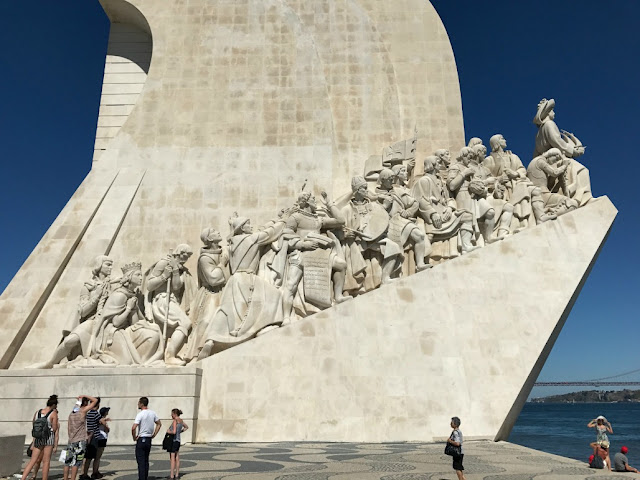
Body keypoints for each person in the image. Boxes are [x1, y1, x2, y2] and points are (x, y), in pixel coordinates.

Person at [145, 245, 198, 365]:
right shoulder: (164, 263)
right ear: (180, 253)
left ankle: (167, 354)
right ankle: (170, 355)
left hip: (172, 301)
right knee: (185, 322)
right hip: (162, 300)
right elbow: (150, 286)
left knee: (180, 326)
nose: (187, 258)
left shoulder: (180, 269)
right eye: (186, 255)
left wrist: (175, 271)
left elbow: (176, 286)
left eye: (189, 256)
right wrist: (164, 276)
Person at [21, 395, 59, 480]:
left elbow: (34, 424)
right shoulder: (53, 414)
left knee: (33, 460)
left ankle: (23, 478)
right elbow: (55, 428)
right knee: (46, 461)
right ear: (54, 405)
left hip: (38, 438)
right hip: (48, 438)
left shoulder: (37, 412)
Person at [64, 396, 99, 480]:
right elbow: (95, 400)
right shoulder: (83, 411)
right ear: (85, 403)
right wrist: (84, 396)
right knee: (76, 463)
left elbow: (76, 406)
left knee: (67, 462)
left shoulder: (73, 412)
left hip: (71, 440)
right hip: (80, 440)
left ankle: (65, 478)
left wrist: (79, 400)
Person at [132, 396, 162, 480]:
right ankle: (145, 477)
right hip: (149, 438)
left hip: (141, 438)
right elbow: (159, 424)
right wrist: (154, 434)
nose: (138, 404)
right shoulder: (152, 413)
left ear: (142, 404)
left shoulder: (140, 414)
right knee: (146, 460)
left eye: (138, 403)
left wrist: (134, 437)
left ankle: (142, 478)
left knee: (140, 460)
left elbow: (133, 427)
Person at [80, 398, 101, 480]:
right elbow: (101, 422)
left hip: (88, 436)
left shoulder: (88, 413)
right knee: (94, 457)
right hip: (94, 437)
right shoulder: (96, 414)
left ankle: (84, 473)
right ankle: (89, 474)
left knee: (87, 457)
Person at [166, 408, 189, 480]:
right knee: (177, 458)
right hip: (178, 441)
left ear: (175, 414)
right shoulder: (181, 421)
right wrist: (180, 431)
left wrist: (168, 431)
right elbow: (186, 427)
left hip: (173, 441)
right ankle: (177, 474)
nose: (171, 415)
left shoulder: (175, 421)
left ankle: (172, 475)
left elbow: (174, 432)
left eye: (172, 414)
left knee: (172, 458)